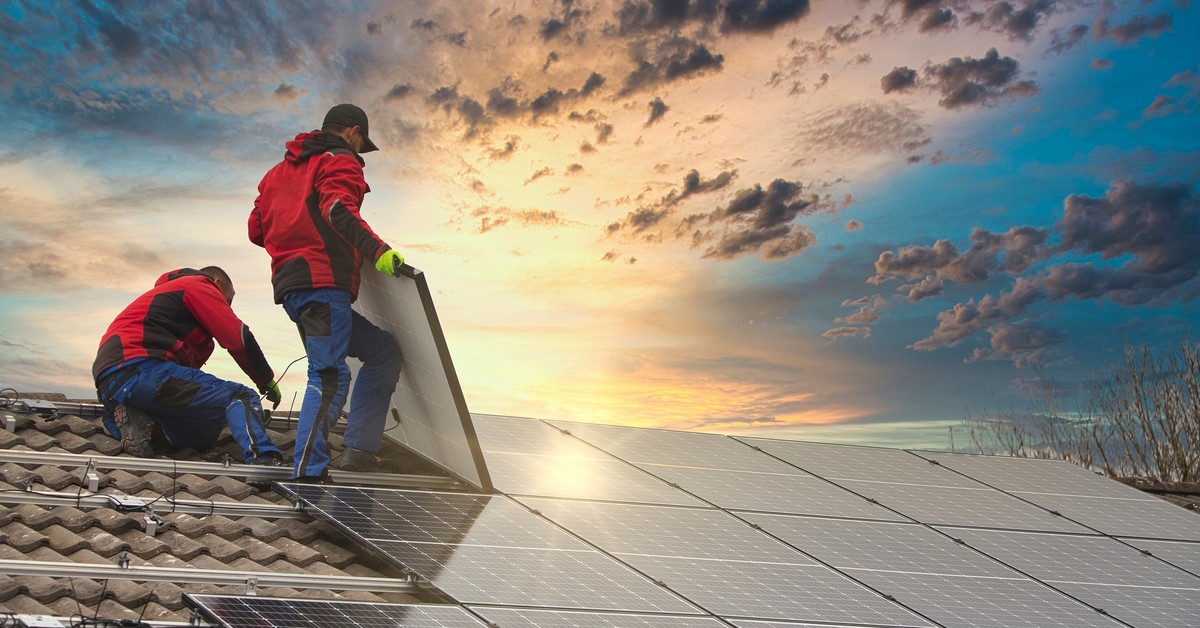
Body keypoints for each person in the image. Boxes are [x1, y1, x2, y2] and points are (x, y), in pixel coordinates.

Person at [249, 103, 404, 482]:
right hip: (322, 286)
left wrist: (294, 229)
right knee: (330, 375)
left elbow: (256, 230)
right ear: (353, 132)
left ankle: (359, 450)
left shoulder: (276, 173)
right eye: (361, 143)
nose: (360, 151)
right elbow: (337, 208)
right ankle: (308, 470)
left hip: (294, 291)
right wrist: (378, 252)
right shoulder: (340, 159)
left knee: (382, 350)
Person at [92, 267, 284, 465]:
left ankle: (145, 427)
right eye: (228, 300)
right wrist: (265, 380)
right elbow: (238, 339)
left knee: (204, 432)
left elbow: (186, 389)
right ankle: (263, 458)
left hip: (112, 383)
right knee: (241, 396)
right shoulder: (198, 285)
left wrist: (249, 418)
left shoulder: (168, 300)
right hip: (141, 367)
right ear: (217, 283)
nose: (227, 306)